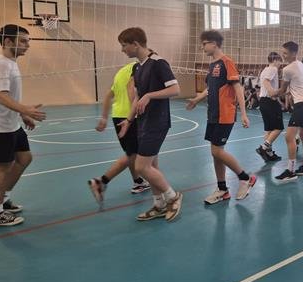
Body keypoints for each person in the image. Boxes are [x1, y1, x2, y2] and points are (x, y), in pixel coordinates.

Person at [117, 27, 183, 222]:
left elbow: (175, 89)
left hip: (157, 122)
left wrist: (150, 95)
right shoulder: (137, 67)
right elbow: (138, 96)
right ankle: (159, 205)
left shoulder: (158, 63)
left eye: (124, 45)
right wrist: (129, 121)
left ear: (136, 44)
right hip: (143, 122)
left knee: (141, 166)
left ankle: (173, 197)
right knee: (152, 166)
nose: (122, 50)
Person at [186, 30, 257, 204]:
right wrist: (196, 99)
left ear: (214, 43)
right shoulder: (212, 65)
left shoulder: (227, 62)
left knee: (217, 151)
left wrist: (244, 114)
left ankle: (245, 178)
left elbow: (238, 88)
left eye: (204, 44)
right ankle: (222, 189)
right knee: (216, 154)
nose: (202, 47)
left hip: (225, 114)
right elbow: (210, 88)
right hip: (213, 114)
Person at [0, 25, 46, 227]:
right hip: (1, 127)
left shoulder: (11, 63)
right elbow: (1, 96)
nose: (27, 45)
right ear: (8, 42)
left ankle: (4, 197)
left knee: (24, 158)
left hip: (12, 124)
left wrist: (22, 114)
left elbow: (10, 95)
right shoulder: (2, 64)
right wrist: (25, 109)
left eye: (28, 41)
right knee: (3, 168)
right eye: (23, 41)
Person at [88, 62, 151, 205]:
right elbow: (131, 88)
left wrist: (104, 117)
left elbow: (108, 96)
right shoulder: (138, 67)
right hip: (129, 117)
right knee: (132, 154)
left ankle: (138, 182)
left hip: (117, 116)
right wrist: (136, 113)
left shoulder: (121, 72)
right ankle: (101, 181)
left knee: (132, 153)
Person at [273, 41, 303, 181]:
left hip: (301, 105)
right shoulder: (300, 64)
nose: (283, 55)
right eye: (282, 53)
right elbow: (292, 88)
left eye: (285, 53)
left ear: (294, 53)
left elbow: (282, 90)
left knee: (289, 137)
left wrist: (271, 92)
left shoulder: (287, 69)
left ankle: (290, 171)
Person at [255, 52, 284, 162]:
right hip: (269, 102)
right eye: (280, 61)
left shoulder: (265, 69)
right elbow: (266, 82)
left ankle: (269, 153)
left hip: (263, 101)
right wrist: (272, 92)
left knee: (269, 129)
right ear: (275, 60)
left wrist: (278, 100)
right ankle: (263, 147)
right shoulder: (273, 69)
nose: (280, 64)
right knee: (279, 127)